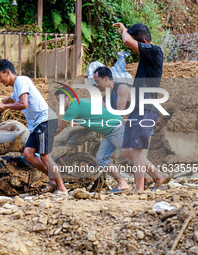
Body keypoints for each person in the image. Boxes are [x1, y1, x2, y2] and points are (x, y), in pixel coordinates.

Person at [0, 59, 67, 195]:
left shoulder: (21, 80)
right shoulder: (17, 87)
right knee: (28, 155)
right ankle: (53, 178)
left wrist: (5, 107)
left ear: (8, 73)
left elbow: (23, 104)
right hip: (36, 125)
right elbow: (10, 100)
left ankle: (62, 188)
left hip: (45, 120)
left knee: (44, 156)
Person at [113, 22, 171, 192]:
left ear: (144, 42)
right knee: (126, 151)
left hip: (147, 107)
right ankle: (157, 175)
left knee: (136, 151)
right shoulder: (147, 56)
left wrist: (124, 30)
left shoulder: (155, 51)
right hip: (137, 107)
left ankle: (139, 190)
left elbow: (127, 42)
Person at [54, 87, 127, 193]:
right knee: (101, 159)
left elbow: (59, 128)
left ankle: (155, 177)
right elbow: (102, 110)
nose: (58, 104)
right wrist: (97, 126)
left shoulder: (73, 107)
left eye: (59, 100)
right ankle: (123, 183)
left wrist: (48, 138)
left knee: (132, 156)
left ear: (68, 98)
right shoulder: (84, 101)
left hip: (116, 129)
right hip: (109, 131)